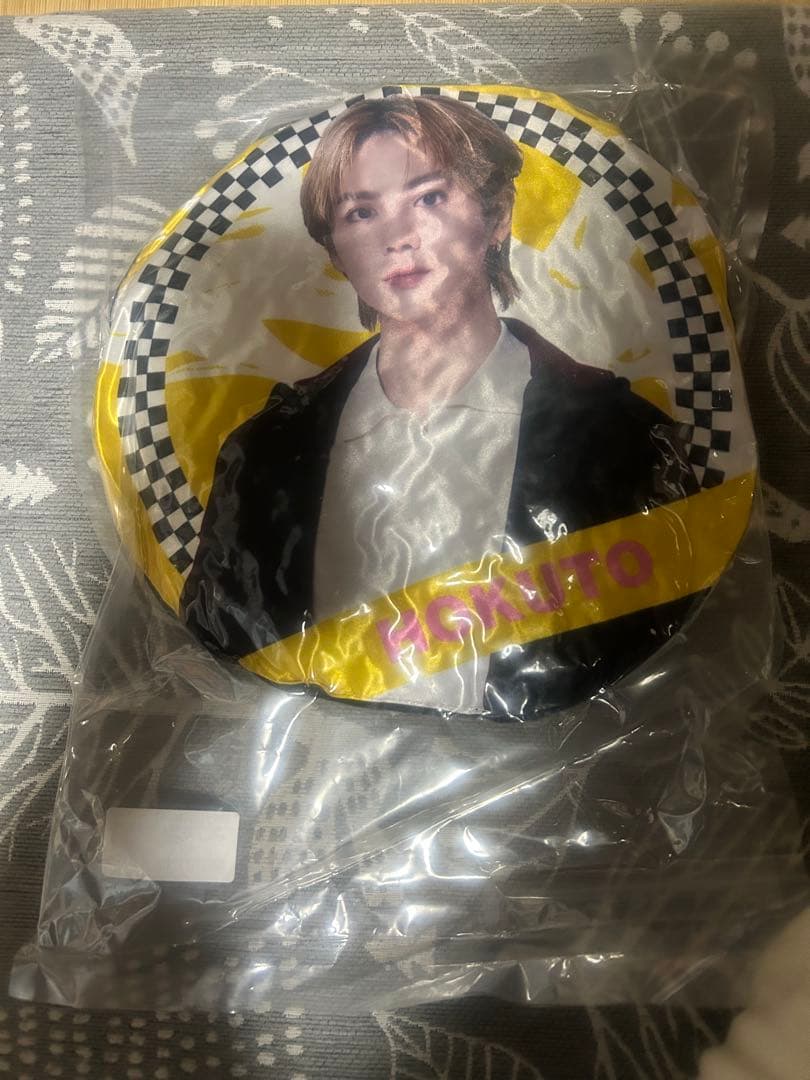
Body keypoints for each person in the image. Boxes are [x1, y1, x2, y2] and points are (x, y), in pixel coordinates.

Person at [181, 93, 699, 717]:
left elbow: (659, 636)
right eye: (361, 213)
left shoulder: (625, 437)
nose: (398, 238)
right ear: (335, 250)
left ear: (497, 214)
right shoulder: (263, 450)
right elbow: (226, 645)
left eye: (429, 198)